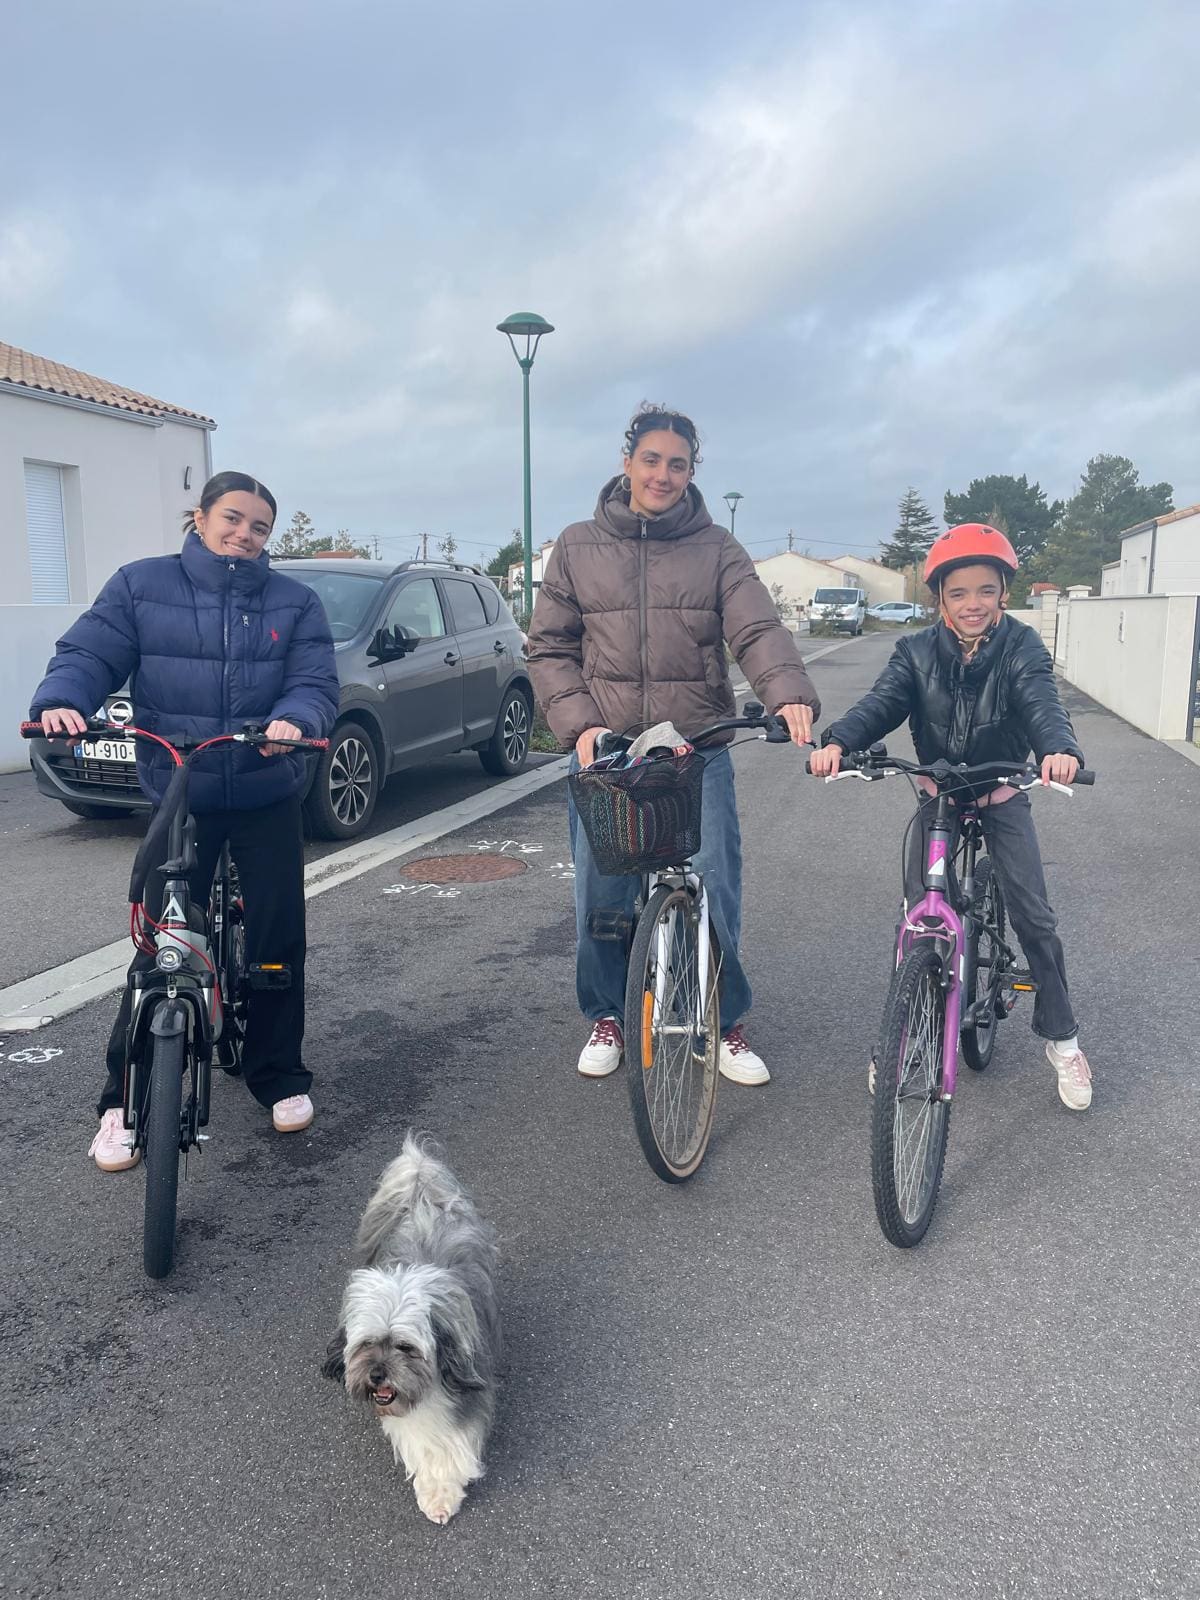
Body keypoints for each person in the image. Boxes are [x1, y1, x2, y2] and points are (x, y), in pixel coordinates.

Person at [30, 470, 340, 1169]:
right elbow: (90, 652)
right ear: (199, 518)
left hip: (265, 787)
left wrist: (296, 720)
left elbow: (314, 681)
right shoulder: (141, 585)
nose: (244, 534)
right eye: (232, 518)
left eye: (259, 527)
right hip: (182, 790)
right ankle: (120, 1101)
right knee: (158, 944)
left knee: (276, 938)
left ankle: (277, 1073)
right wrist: (63, 698)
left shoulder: (294, 602)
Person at [526, 403, 820, 1085]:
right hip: (608, 753)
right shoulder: (577, 545)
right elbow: (550, 648)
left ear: (693, 472)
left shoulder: (717, 547)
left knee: (713, 881)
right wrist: (582, 725)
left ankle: (722, 1017)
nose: (663, 474)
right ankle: (609, 1012)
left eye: (678, 464)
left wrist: (788, 692)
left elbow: (756, 629)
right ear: (627, 461)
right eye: (651, 460)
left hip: (696, 747)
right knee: (602, 890)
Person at [808, 523, 1092, 1110]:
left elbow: (1042, 703)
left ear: (1004, 592)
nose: (972, 604)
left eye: (985, 590)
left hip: (1000, 791)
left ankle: (1063, 1040)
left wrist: (1058, 750)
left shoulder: (1021, 647)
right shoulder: (914, 651)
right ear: (939, 596)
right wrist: (838, 741)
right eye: (958, 592)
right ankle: (907, 1033)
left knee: (1034, 917)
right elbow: (881, 703)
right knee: (919, 917)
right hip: (939, 795)